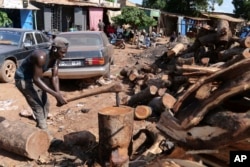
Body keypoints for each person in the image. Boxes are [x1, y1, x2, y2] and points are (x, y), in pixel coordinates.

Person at [14, 37, 69, 133]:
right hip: (23, 79)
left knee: (46, 103)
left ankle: (41, 127)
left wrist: (58, 94)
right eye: (62, 52)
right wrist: (56, 95)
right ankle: (44, 131)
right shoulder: (40, 56)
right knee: (37, 105)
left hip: (35, 78)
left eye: (65, 52)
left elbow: (55, 76)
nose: (64, 55)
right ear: (54, 49)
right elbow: (37, 79)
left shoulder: (57, 57)